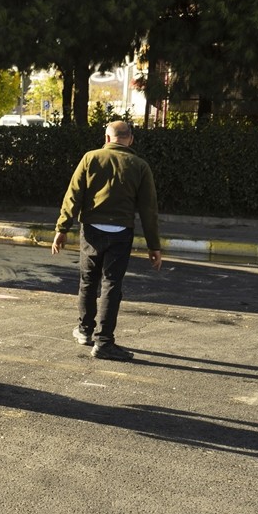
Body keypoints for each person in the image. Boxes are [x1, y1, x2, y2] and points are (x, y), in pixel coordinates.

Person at [51, 121, 162, 361]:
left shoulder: (90, 158)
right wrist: (154, 246)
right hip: (121, 232)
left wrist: (62, 228)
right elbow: (148, 209)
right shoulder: (140, 166)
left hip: (91, 230)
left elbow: (73, 195)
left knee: (88, 280)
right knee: (112, 284)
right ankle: (104, 342)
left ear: (107, 138)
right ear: (130, 140)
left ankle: (84, 330)